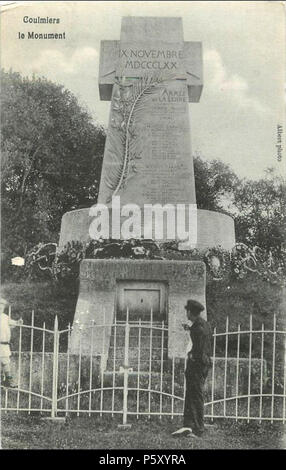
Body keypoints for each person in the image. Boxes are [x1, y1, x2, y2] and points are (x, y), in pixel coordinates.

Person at [172, 299, 212, 438]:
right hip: (204, 364)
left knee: (195, 396)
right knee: (193, 395)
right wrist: (189, 329)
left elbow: (199, 349)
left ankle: (198, 429)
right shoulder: (203, 324)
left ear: (190, 312)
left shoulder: (198, 328)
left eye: (187, 311)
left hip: (197, 365)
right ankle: (189, 425)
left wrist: (191, 356)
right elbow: (201, 340)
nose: (186, 313)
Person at [0, 298, 23, 388]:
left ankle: (8, 380)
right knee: (4, 361)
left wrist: (18, 322)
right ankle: (6, 380)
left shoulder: (5, 317)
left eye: (2, 307)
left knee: (5, 362)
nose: (0, 309)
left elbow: (12, 323)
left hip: (4, 344)